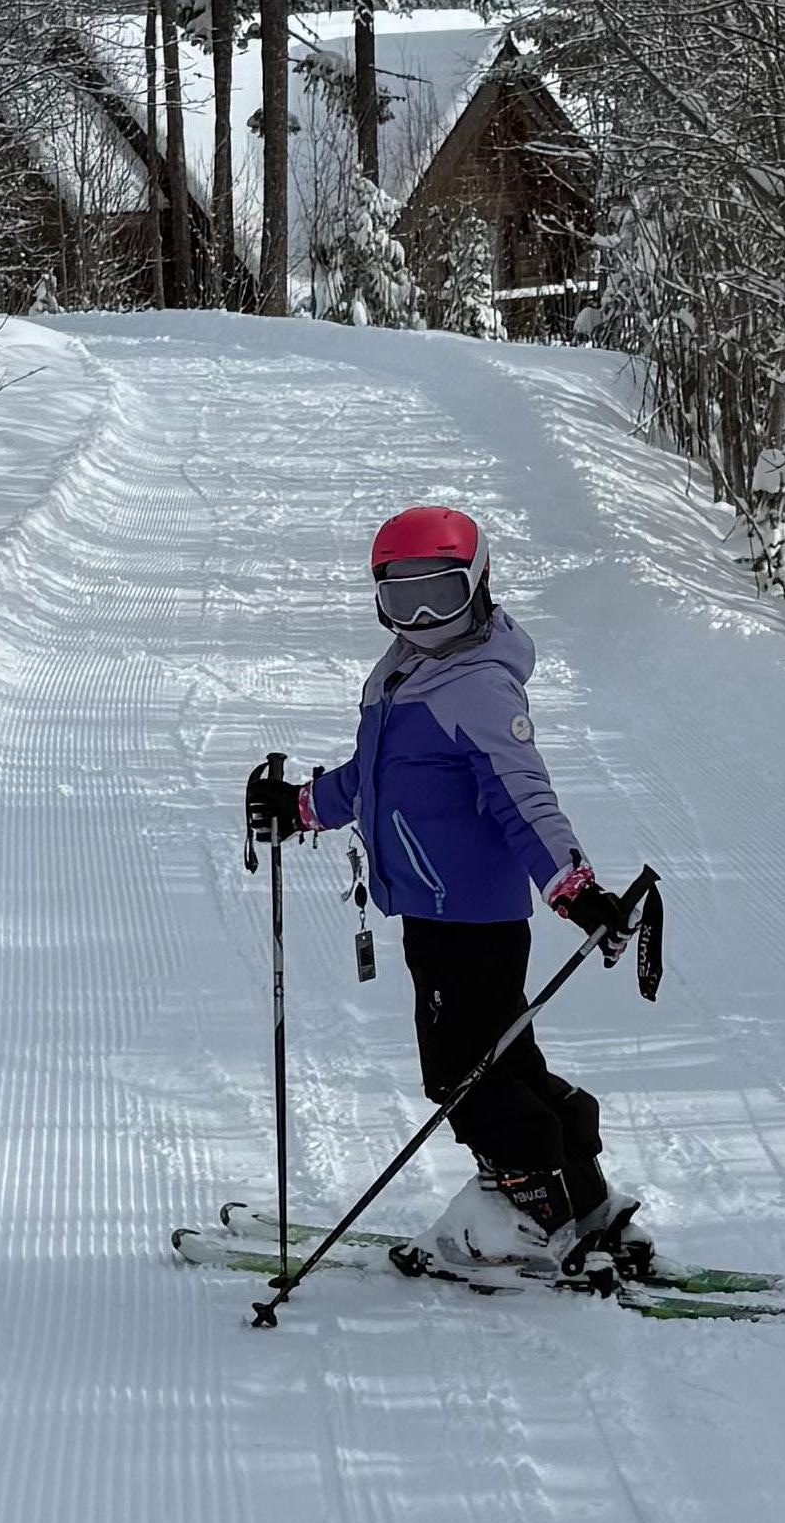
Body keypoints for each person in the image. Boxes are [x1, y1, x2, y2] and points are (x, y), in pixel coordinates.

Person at [246, 501, 652, 1276]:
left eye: (441, 591)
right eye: (403, 596)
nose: (424, 614)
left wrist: (577, 890)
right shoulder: (410, 669)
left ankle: (527, 1220)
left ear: (480, 582)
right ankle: (580, 1198)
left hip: (467, 915)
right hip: (440, 912)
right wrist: (302, 807)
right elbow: (379, 782)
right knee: (504, 1062)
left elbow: (524, 795)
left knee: (461, 1075)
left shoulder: (476, 686)